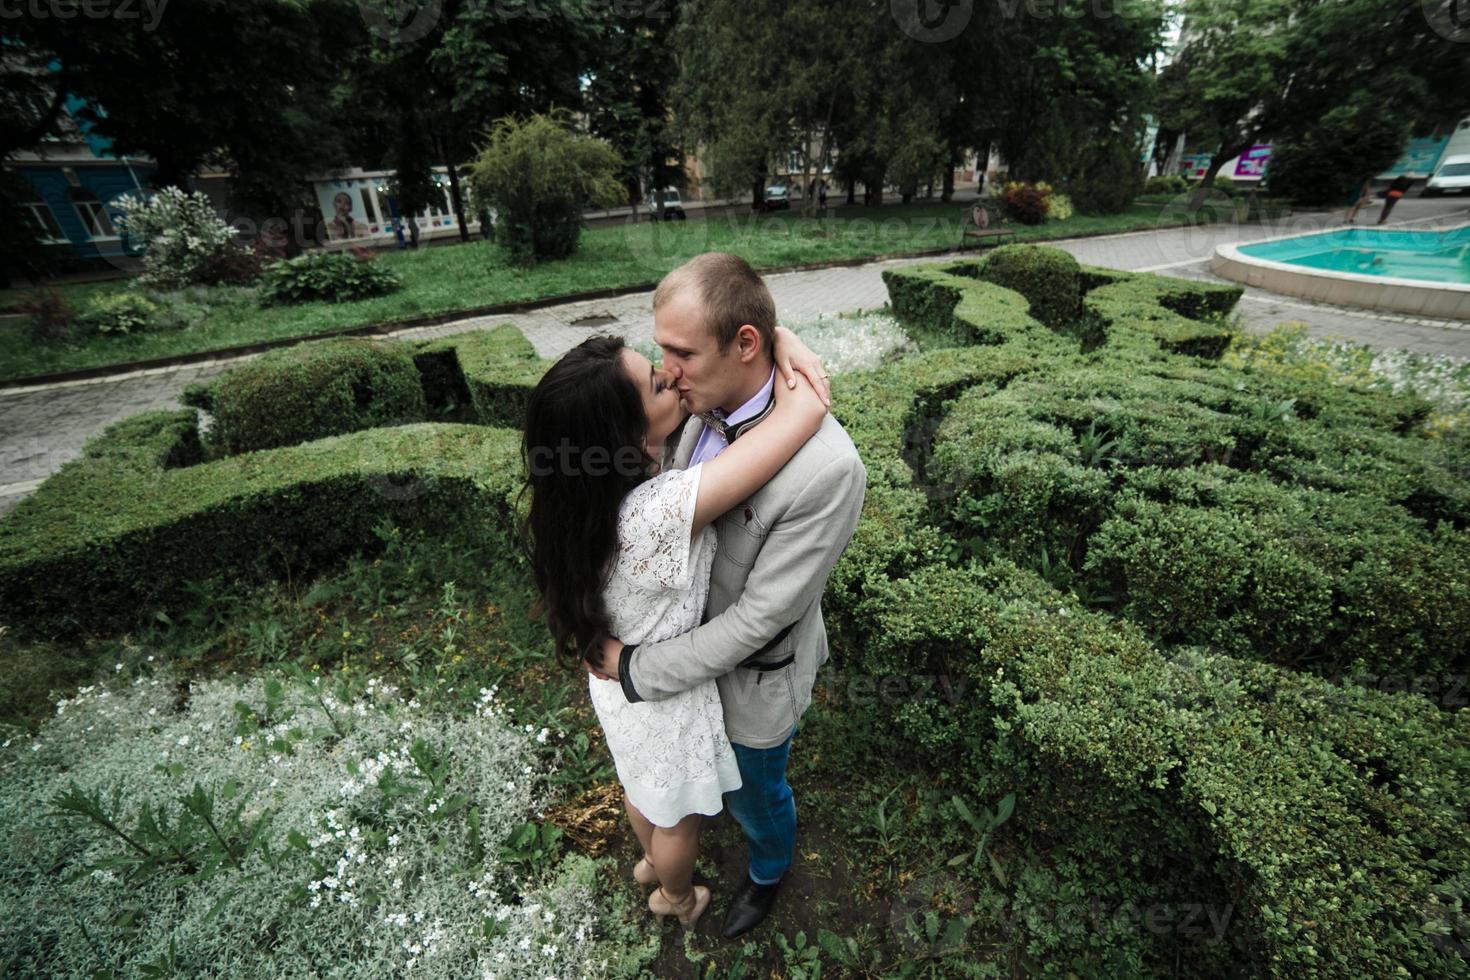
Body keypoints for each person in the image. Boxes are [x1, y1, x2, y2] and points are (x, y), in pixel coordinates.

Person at [523, 294, 835, 931]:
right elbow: (803, 413)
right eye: (658, 384)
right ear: (634, 437)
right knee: (677, 816)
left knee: (640, 787)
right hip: (662, 698)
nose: (673, 375)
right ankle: (675, 893)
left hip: (614, 694)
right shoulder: (655, 512)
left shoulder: (574, 505)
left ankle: (648, 858)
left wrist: (777, 334)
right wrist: (792, 352)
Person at [587, 252, 868, 939]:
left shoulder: (828, 471)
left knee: (755, 795)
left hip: (748, 680)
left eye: (680, 352)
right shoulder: (692, 397)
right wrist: (784, 338)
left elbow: (760, 622)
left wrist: (634, 670)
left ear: (744, 344)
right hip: (679, 672)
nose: (668, 372)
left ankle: (769, 872)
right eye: (661, 353)